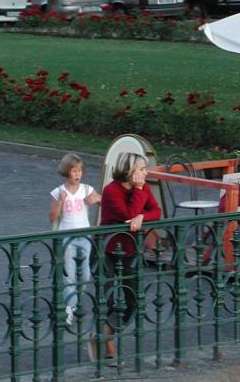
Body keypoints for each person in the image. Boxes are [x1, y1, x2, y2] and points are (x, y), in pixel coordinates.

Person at [98, 152, 162, 361]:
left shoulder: (143, 188)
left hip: (130, 251)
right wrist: (138, 193)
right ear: (129, 171)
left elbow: (156, 211)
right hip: (107, 251)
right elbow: (127, 215)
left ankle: (104, 333)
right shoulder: (111, 191)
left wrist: (143, 216)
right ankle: (108, 346)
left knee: (132, 301)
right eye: (142, 169)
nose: (146, 173)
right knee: (108, 299)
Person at [49, 153, 101, 326]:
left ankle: (74, 301)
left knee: (85, 274)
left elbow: (103, 200)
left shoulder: (86, 189)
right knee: (70, 275)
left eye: (80, 170)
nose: (77, 174)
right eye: (74, 171)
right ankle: (69, 308)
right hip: (66, 237)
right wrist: (60, 202)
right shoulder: (58, 192)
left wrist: (97, 198)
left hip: (84, 237)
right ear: (66, 172)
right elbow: (52, 217)